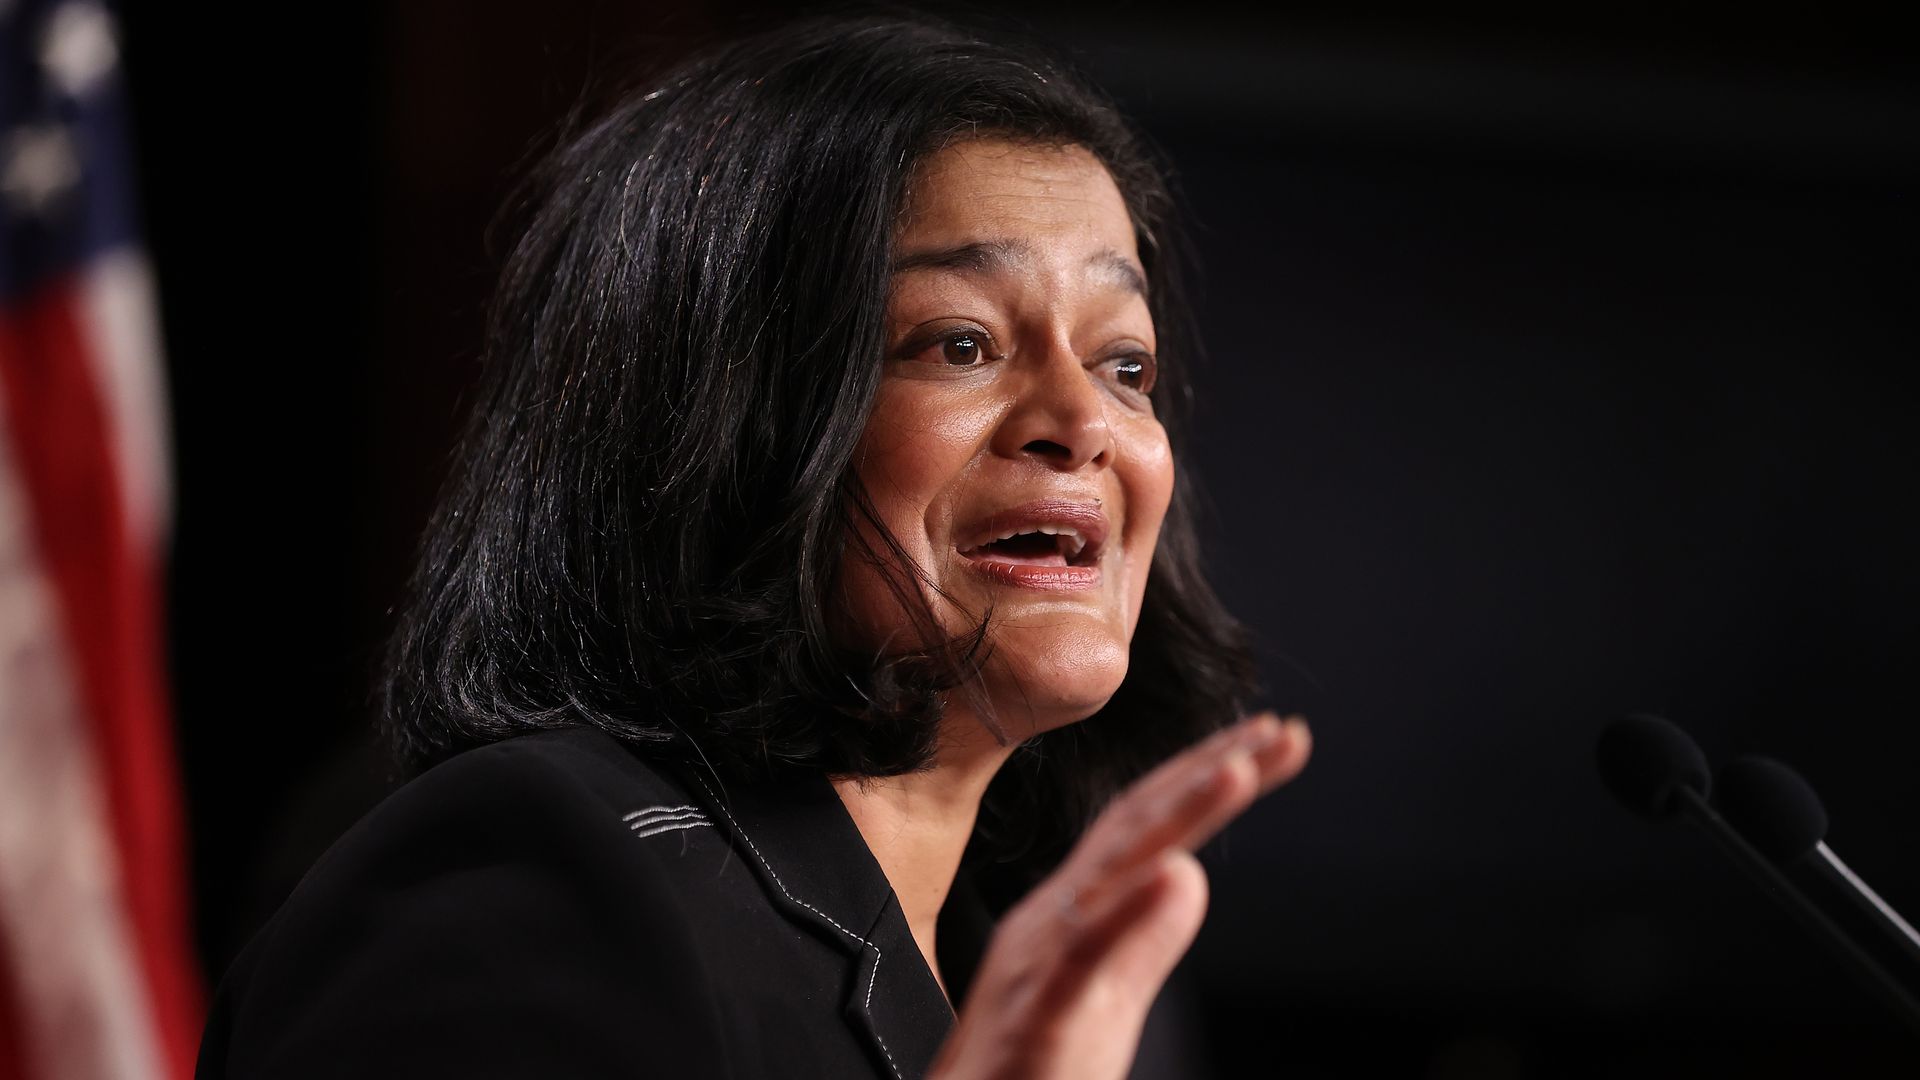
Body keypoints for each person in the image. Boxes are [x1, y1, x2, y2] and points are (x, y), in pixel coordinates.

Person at [196, 13, 1311, 1079]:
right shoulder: (534, 875)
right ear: (715, 420)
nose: (1084, 425)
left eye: (1126, 365)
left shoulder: (1044, 963)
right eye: (959, 342)